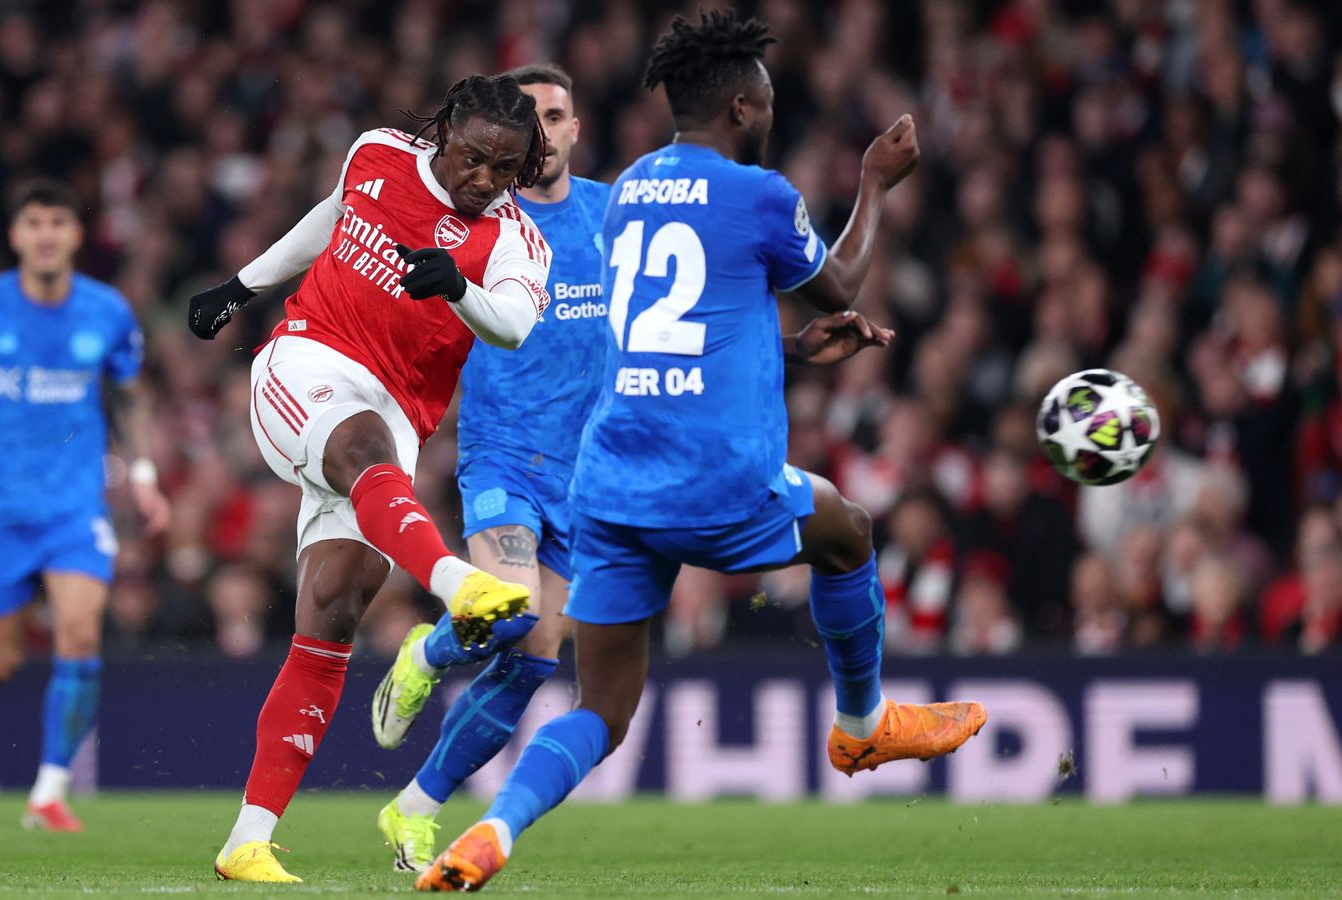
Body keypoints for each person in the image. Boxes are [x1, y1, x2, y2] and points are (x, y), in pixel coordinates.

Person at [418, 12, 986, 891]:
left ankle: (495, 826)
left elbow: (668, 325)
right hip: (718, 477)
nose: (768, 112)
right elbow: (836, 281)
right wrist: (876, 184)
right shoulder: (758, 190)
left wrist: (786, 347)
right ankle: (863, 719)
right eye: (763, 100)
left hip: (608, 484)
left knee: (600, 709)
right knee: (849, 529)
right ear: (739, 106)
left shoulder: (634, 189)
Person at [185, 74, 553, 884]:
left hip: (395, 420)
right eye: (473, 159)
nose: (484, 180)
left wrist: (457, 286)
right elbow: (334, 217)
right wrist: (244, 286)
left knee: (336, 607)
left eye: (505, 169)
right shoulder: (378, 153)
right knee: (359, 452)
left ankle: (247, 838)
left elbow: (517, 326)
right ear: (444, 134)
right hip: (305, 362)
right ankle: (457, 582)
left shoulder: (518, 241)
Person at [367, 63, 611, 873]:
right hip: (505, 450)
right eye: (531, 116)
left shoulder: (615, 218)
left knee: (536, 659)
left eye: (558, 115)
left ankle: (415, 808)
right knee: (507, 610)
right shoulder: (478, 224)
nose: (546, 131)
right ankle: (425, 656)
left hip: (586, 474)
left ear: (575, 130)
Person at [0, 179, 170, 832]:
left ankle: (49, 792)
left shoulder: (107, 311)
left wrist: (142, 474)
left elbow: (131, 395)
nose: (47, 234)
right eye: (34, 223)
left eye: (59, 222)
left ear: (76, 234)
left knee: (81, 632)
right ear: (16, 236)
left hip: (72, 509)